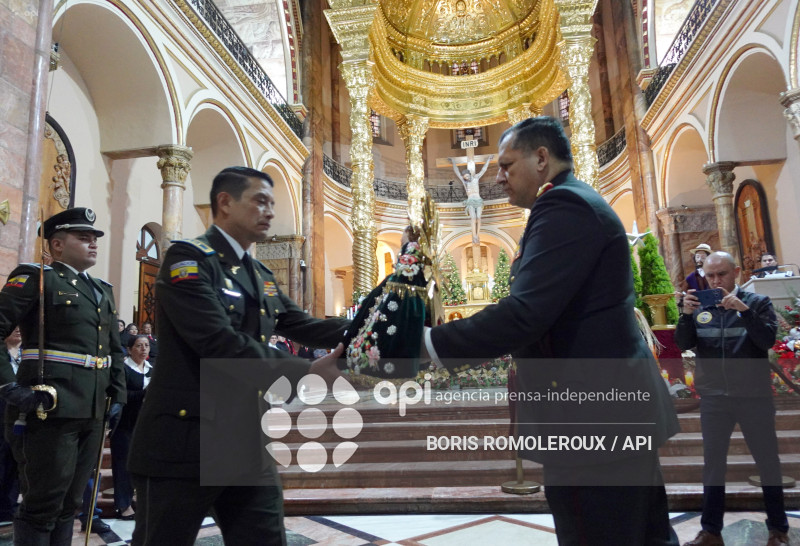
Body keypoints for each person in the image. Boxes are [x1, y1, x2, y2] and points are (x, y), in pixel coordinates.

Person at [423, 117, 679, 545]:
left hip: (592, 420)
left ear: (541, 158)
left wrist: (429, 343)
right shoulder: (571, 202)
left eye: (506, 165)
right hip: (608, 413)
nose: (498, 177)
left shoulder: (565, 206)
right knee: (639, 533)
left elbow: (525, 313)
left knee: (599, 532)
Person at [128, 166, 349, 546]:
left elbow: (303, 325)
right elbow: (218, 343)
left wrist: (373, 326)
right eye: (260, 201)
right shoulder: (189, 260)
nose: (269, 212)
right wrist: (306, 370)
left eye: (272, 204)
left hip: (245, 438)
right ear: (225, 203)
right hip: (186, 439)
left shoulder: (259, 273)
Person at [0, 207, 126, 544]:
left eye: (94, 238)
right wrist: (8, 386)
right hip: (49, 405)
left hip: (93, 409)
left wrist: (119, 395)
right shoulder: (36, 278)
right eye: (83, 238)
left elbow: (114, 349)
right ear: (57, 245)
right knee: (43, 503)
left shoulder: (101, 290)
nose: (93, 243)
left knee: (71, 503)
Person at [675, 252, 788, 546]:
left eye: (721, 274)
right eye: (709, 276)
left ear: (735, 272)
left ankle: (778, 530)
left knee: (767, 462)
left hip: (754, 396)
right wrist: (686, 316)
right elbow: (684, 344)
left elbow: (766, 341)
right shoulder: (700, 307)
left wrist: (744, 311)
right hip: (715, 397)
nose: (715, 281)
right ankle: (711, 531)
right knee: (713, 463)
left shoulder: (757, 303)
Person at [111, 335, 151, 521]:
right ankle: (123, 506)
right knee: (123, 466)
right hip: (125, 425)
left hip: (145, 426)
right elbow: (120, 394)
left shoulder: (152, 369)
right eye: (139, 346)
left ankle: (138, 500)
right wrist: (143, 394)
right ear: (129, 349)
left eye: (146, 346)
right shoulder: (123, 369)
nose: (143, 349)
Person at [0, 328, 21, 526]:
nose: (18, 329)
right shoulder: (1, 354)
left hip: (21, 418)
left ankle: (10, 505)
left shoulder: (30, 356)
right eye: (13, 326)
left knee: (16, 462)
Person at [449, 155, 493, 245]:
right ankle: (474, 236)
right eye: (465, 177)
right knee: (473, 218)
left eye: (467, 176)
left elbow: (484, 170)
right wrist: (453, 162)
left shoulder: (476, 178)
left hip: (478, 200)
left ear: (469, 174)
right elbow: (457, 172)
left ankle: (478, 234)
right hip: (470, 201)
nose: (466, 178)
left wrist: (488, 160)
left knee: (478, 218)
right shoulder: (465, 183)